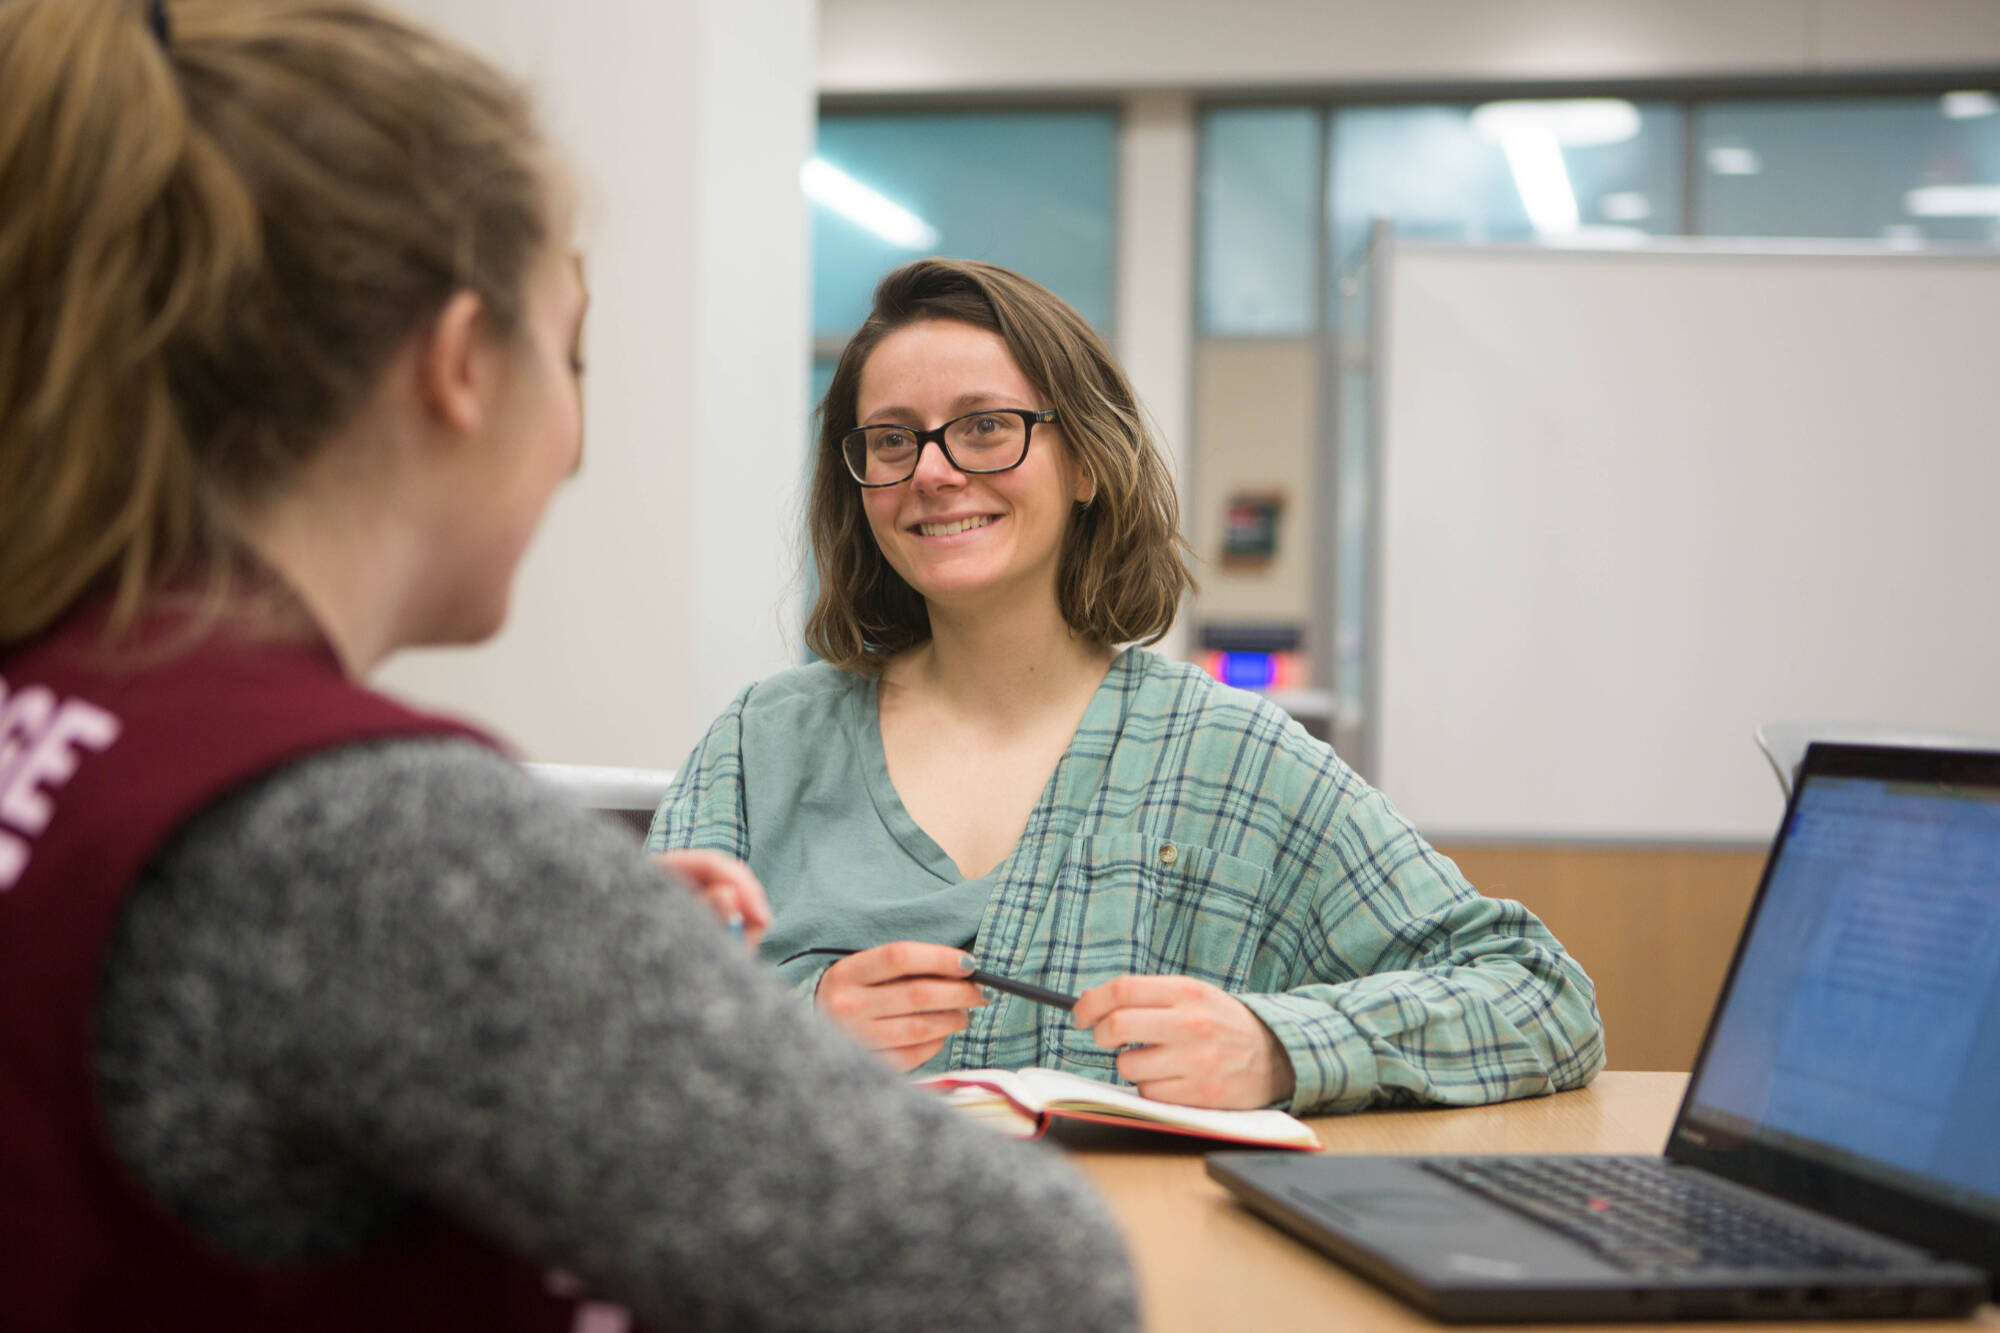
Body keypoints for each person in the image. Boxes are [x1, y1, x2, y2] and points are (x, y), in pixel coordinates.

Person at [0, 3, 1140, 1330]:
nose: (581, 441)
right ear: (462, 365)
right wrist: (518, 926)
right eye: (573, 351)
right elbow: (1025, 1279)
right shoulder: (381, 842)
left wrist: (571, 953)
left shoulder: (68, 708)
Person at [649, 257, 1607, 1115]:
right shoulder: (761, 746)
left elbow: (1537, 992)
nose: (934, 472)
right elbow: (611, 1031)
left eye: (986, 428)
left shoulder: (1231, 761)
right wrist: (796, 1023)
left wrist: (1279, 1048)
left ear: (1088, 465)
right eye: (892, 441)